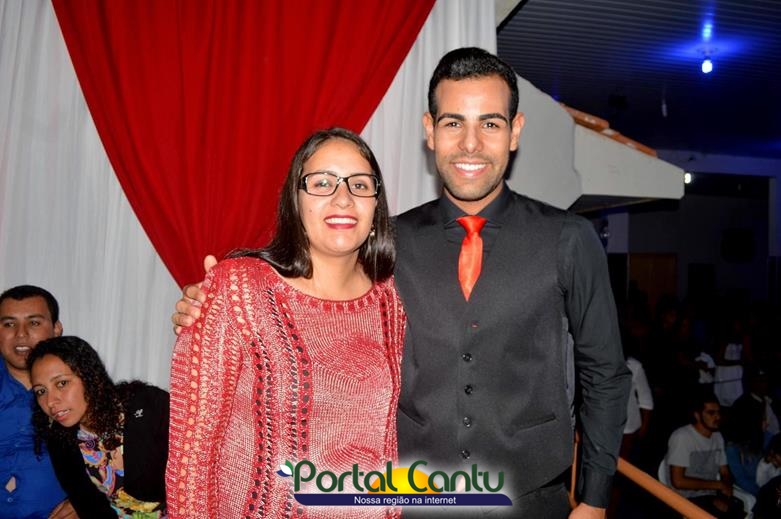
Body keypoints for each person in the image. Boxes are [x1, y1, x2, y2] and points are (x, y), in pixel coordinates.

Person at [173, 49, 629, 518]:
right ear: (430, 131)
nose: (470, 143)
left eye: (490, 124)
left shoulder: (569, 239)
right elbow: (311, 289)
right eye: (453, 123)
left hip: (531, 501)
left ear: (514, 132)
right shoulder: (387, 243)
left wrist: (594, 499)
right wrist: (209, 304)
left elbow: (606, 375)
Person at [165, 128, 405, 518]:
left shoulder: (392, 301)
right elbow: (192, 456)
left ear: (375, 208)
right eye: (322, 183)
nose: (343, 198)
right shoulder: (239, 289)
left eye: (359, 185)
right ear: (296, 201)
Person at [28, 336, 169, 518]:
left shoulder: (149, 406)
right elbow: (91, 508)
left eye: (62, 383)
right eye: (41, 391)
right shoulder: (61, 440)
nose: (50, 401)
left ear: (89, 376)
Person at [0, 285, 75, 518]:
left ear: (56, 329)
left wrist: (90, 501)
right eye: (9, 324)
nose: (21, 334)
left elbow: (117, 455)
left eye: (33, 323)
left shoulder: (80, 384)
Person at [665, 393, 744, 518]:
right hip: (684, 498)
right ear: (697, 415)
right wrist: (718, 485)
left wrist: (724, 490)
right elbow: (678, 482)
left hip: (709, 495)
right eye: (711, 413)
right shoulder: (682, 437)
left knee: (739, 509)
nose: (717, 417)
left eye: (718, 412)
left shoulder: (717, 436)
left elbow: (725, 472)